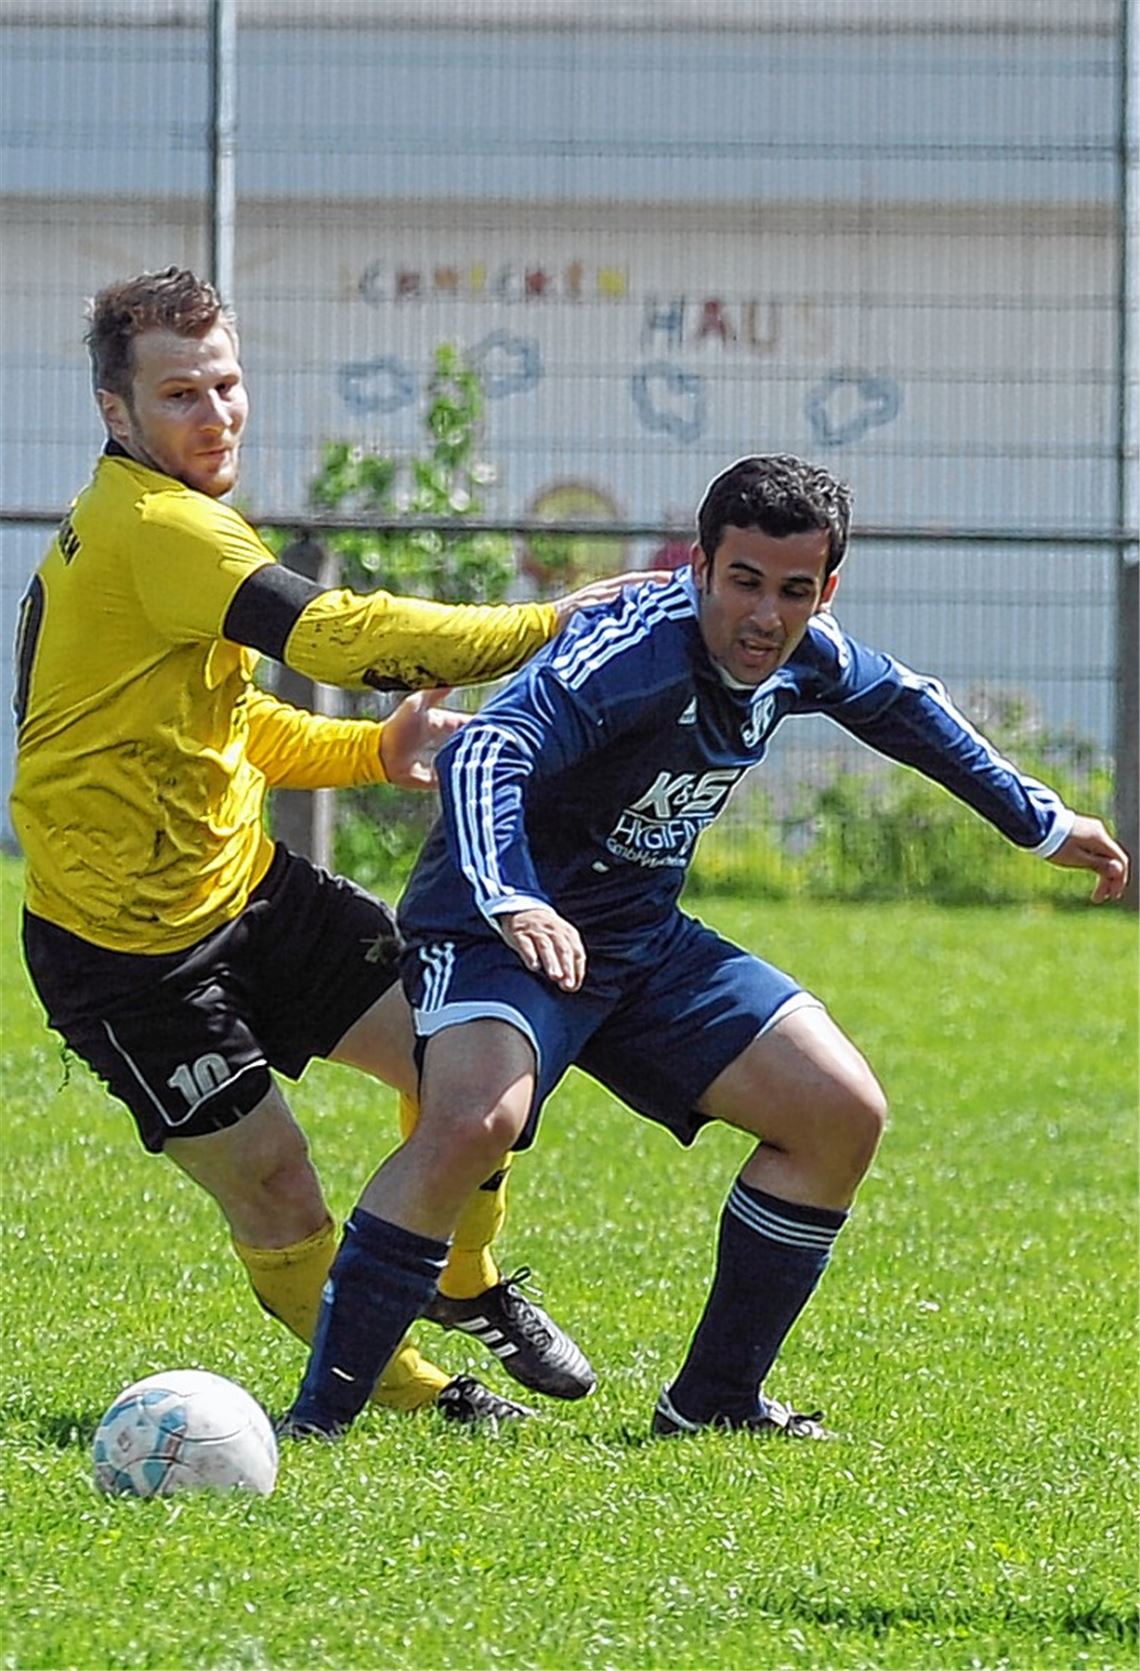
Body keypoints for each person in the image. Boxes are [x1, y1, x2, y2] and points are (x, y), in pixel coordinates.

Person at [281, 452, 1130, 1441]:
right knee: (475, 1121)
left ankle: (713, 1402)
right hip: (496, 932)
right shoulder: (628, 655)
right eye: (743, 583)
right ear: (700, 566)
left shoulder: (808, 652)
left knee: (840, 1115)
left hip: (640, 942)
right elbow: (488, 750)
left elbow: (905, 706)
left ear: (825, 589)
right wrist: (515, 899)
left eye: (793, 591)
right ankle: (319, 1423)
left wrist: (1038, 822)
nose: (765, 616)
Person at [8, 264, 648, 1426]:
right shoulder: (151, 527)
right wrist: (548, 622)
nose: (216, 416)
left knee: (468, 1060)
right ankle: (425, 1399)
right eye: (180, 397)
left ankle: (467, 1281)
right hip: (125, 955)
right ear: (117, 413)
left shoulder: (191, 520)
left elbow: (224, 723)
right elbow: (335, 632)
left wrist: (371, 753)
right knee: (278, 1186)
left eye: (227, 385)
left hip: (250, 892)